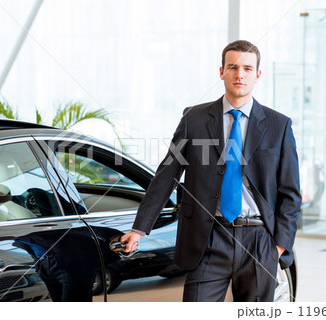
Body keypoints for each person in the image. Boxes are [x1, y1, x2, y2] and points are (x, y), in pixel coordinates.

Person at [121, 40, 301, 302]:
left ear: (257, 75)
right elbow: (167, 175)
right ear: (221, 72)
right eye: (233, 67)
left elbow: (291, 192)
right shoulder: (194, 119)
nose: (240, 74)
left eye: (248, 69)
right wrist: (140, 229)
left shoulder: (279, 125)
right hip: (208, 238)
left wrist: (277, 247)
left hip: (260, 241)